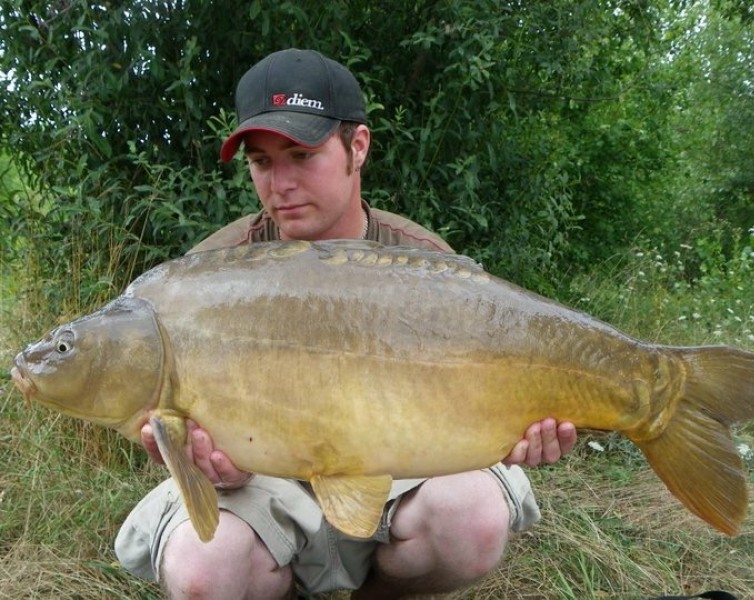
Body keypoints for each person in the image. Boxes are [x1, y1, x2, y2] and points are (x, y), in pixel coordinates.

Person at [115, 48, 578, 600]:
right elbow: (186, 430)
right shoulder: (207, 278)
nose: (279, 183)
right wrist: (207, 466)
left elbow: (473, 408)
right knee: (202, 571)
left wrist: (512, 434)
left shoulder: (423, 265)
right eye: (261, 163)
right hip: (266, 488)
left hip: (392, 473)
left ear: (357, 146)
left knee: (472, 519)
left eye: (301, 154)